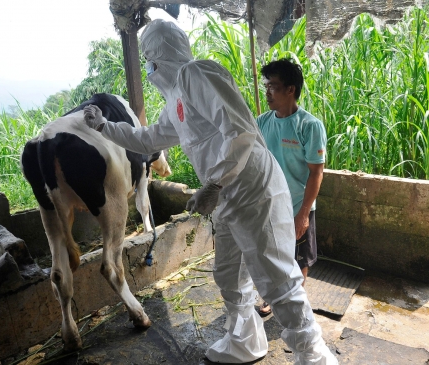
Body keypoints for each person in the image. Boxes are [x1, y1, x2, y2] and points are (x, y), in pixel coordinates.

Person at [83, 19, 337, 365]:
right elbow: (149, 138)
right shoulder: (174, 97)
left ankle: (314, 357)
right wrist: (105, 127)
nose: (148, 67)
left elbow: (240, 131)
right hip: (228, 196)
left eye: (149, 58)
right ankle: (245, 339)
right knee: (230, 272)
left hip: (251, 187)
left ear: (159, 55)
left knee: (276, 277)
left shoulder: (195, 74)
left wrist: (214, 183)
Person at [256, 58, 326, 317]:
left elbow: (316, 172)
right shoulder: (262, 122)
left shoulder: (309, 125)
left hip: (298, 204)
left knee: (300, 257)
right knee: (270, 253)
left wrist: (304, 213)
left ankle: (297, 297)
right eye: (266, 86)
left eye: (273, 86)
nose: (267, 92)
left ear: (290, 90)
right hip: (270, 204)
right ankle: (271, 296)